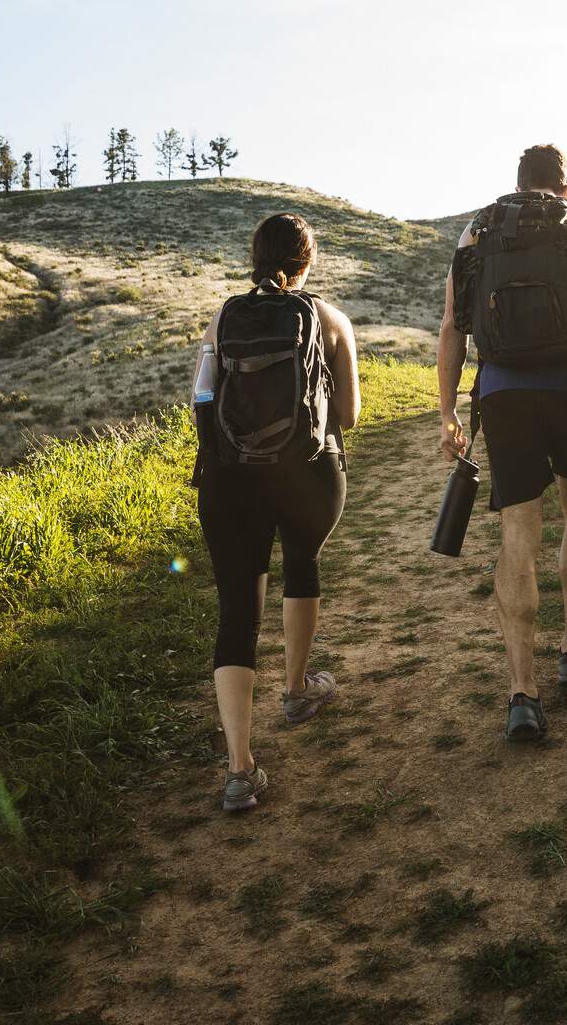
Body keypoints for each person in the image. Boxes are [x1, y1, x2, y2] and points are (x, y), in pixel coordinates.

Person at [437, 144, 567, 741]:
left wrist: (448, 409)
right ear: (566, 186)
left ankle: (521, 692)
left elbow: (453, 324)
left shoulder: (479, 227)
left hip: (502, 392)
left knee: (517, 528)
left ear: (519, 184)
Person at [193, 212, 360, 810]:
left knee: (237, 610)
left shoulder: (223, 319)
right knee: (302, 561)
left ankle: (239, 769)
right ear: (307, 261)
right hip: (307, 471)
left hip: (229, 479)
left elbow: (203, 399)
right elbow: (350, 412)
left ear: (255, 258)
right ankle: (295, 690)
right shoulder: (330, 319)